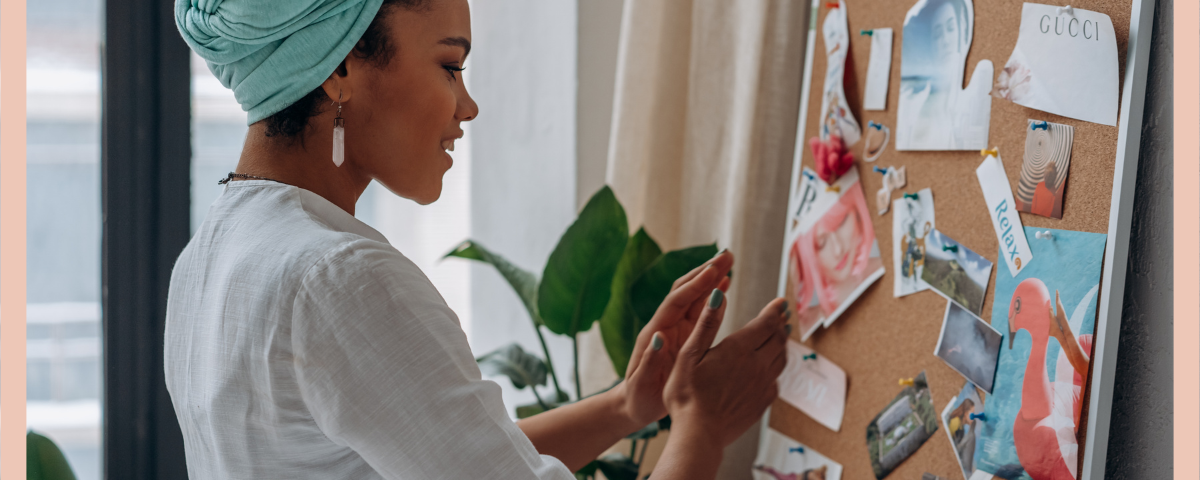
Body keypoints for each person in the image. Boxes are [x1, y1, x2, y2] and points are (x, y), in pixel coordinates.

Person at [166, 1, 789, 479]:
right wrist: (701, 424)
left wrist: (629, 405)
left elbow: (451, 453)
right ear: (340, 68)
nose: (468, 106)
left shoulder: (207, 262)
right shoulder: (339, 277)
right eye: (450, 66)